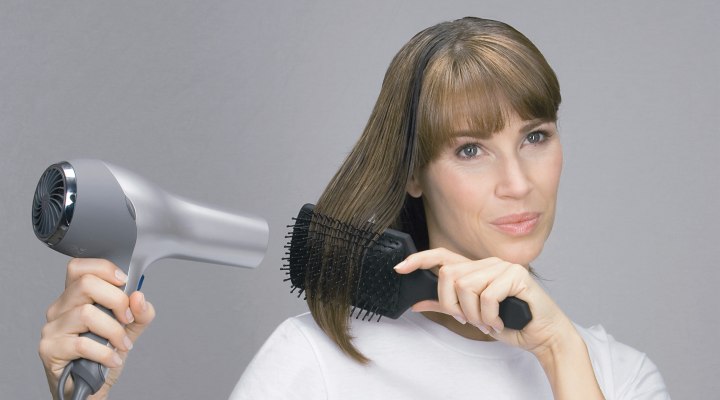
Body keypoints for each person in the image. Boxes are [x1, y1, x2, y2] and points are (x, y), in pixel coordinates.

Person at [39, 17, 670, 399]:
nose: (517, 182)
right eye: (472, 149)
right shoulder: (316, 363)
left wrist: (559, 350)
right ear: (415, 174)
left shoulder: (618, 376)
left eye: (535, 137)